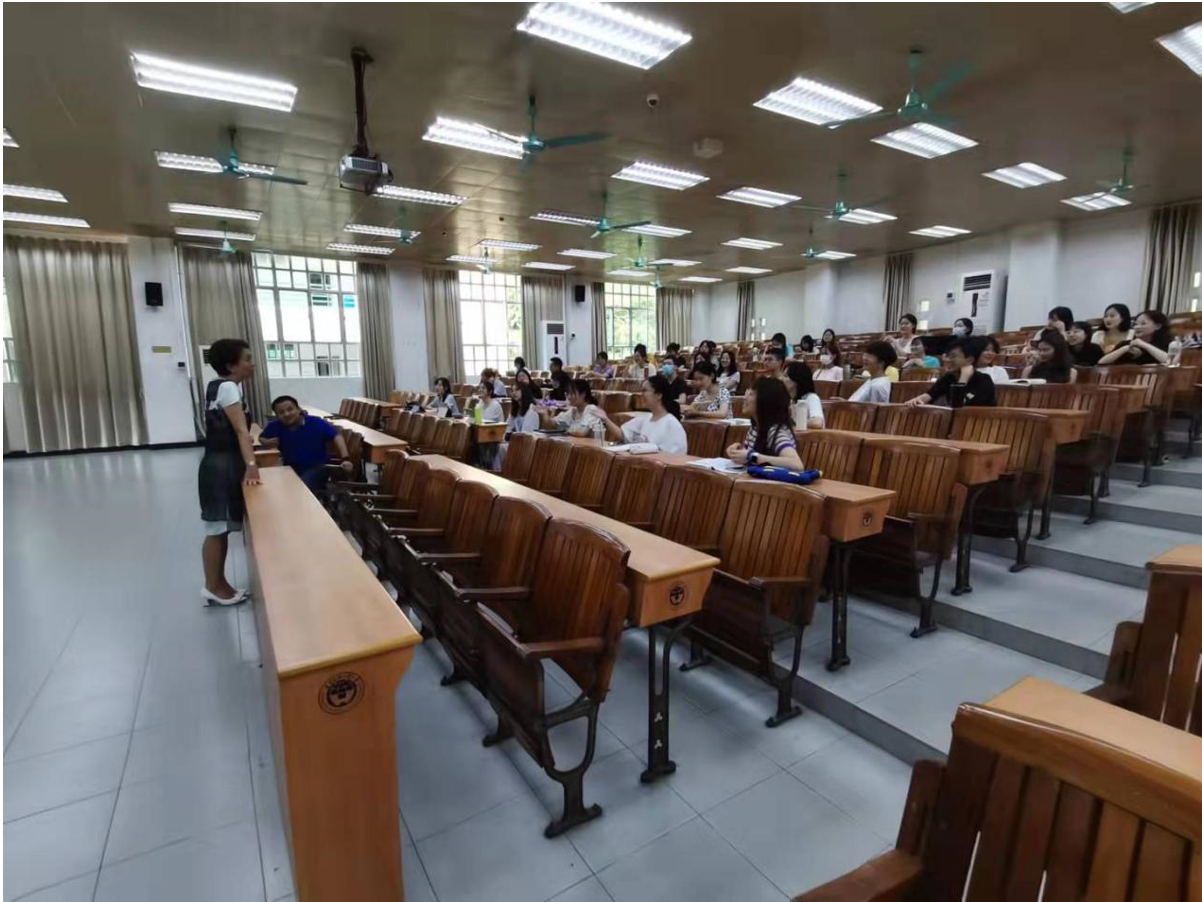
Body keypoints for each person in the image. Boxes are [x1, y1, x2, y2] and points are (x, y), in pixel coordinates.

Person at [198, 338, 259, 606]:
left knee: (220, 529)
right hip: (222, 467)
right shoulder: (228, 388)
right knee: (216, 529)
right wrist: (252, 465)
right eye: (247, 359)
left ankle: (220, 584)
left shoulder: (218, 386)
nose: (252, 364)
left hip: (220, 462)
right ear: (231, 366)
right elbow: (241, 431)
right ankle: (212, 586)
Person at [259, 396, 354, 493]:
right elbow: (261, 438)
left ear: (299, 409)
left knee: (301, 488)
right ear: (277, 415)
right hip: (290, 467)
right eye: (281, 412)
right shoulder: (276, 425)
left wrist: (345, 458)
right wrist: (266, 442)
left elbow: (337, 437)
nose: (287, 414)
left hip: (316, 467)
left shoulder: (316, 422)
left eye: (290, 409)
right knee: (272, 486)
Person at [726, 378, 804, 470]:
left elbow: (797, 465)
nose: (745, 398)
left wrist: (752, 457)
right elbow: (751, 456)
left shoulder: (775, 432)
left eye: (751, 394)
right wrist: (738, 453)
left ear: (764, 401)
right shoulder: (755, 428)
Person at [596, 375, 688, 453]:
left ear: (658, 395)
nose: (641, 394)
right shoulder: (645, 419)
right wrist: (605, 419)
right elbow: (623, 435)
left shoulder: (672, 424)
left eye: (645, 390)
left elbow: (676, 457)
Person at [907, 337, 997, 407]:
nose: (947, 360)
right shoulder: (949, 378)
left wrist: (963, 379)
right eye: (947, 356)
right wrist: (917, 400)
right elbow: (930, 395)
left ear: (969, 360)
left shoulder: (984, 380)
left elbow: (957, 407)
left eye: (953, 356)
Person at [1098, 310, 1172, 365]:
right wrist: (1124, 349)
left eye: (1143, 323)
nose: (1137, 327)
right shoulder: (1127, 344)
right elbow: (1101, 362)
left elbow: (1170, 362)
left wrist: (1143, 344)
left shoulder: (1167, 344)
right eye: (1135, 324)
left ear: (1158, 326)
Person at [784, 362, 824, 429]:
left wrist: (794, 424)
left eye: (785, 376)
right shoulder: (789, 399)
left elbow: (817, 422)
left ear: (796, 380)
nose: (781, 379)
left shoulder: (812, 398)